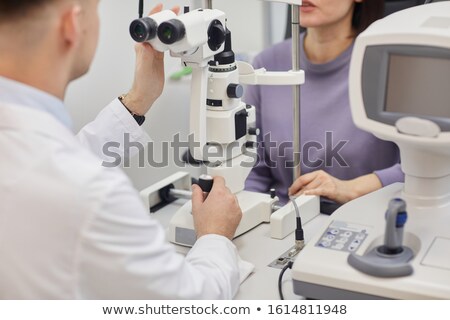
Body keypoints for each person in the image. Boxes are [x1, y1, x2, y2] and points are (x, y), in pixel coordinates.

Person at [0, 0, 244, 299]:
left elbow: (55, 162)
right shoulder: (92, 195)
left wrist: (140, 98)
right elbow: (191, 304)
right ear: (72, 25)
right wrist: (215, 236)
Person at [245, 0, 404, 206]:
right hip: (282, 221)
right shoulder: (266, 64)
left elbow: (427, 168)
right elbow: (253, 170)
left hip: (367, 221)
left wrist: (350, 189)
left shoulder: (394, 65)